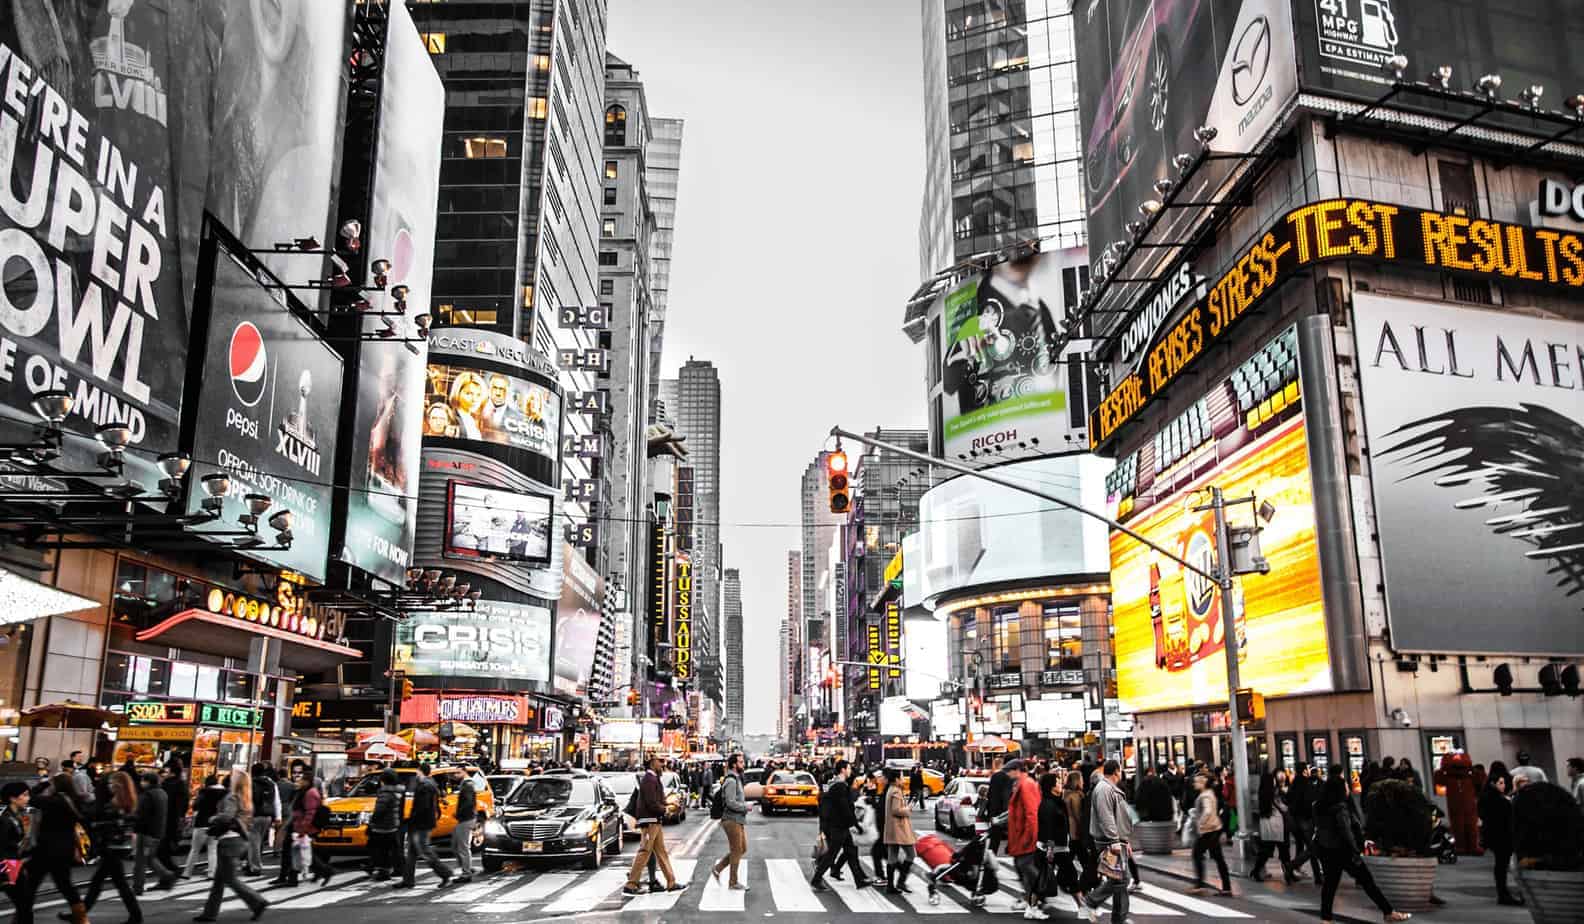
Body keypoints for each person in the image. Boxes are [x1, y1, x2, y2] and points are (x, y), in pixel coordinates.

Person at [1312, 774, 1410, 924]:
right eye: (1345, 786)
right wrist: (1356, 850)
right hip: (1344, 851)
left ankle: (1326, 919)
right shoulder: (1340, 808)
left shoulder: (1319, 806)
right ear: (1339, 789)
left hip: (1327, 850)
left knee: (1330, 886)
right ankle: (1388, 912)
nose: (1347, 788)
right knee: (1367, 882)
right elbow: (1346, 831)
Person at [195, 770, 268, 922]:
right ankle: (209, 913)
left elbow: (226, 816)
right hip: (240, 840)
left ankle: (257, 902)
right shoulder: (247, 798)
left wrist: (213, 818)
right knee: (219, 881)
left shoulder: (232, 797)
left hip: (228, 840)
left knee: (230, 879)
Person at [72, 771, 141, 924]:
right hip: (120, 846)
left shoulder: (115, 804)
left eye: (112, 783)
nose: (109, 786)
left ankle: (136, 916)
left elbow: (109, 824)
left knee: (115, 884)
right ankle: (80, 915)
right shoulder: (129, 801)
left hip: (113, 847)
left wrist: (97, 824)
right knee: (103, 882)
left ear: (119, 785)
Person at [18, 775, 88, 924]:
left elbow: (28, 797)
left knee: (30, 885)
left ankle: (21, 918)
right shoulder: (74, 801)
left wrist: (43, 784)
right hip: (65, 849)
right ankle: (81, 918)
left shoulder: (53, 801)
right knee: (65, 884)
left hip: (45, 850)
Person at [1080, 761, 1132, 924]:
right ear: (1117, 771)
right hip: (1109, 841)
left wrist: (1124, 840)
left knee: (1118, 880)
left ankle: (1118, 918)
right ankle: (1091, 901)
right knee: (1121, 879)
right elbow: (1106, 816)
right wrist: (1115, 840)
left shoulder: (1106, 788)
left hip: (1115, 840)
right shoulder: (1104, 789)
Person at [810, 760, 872, 891]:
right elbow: (845, 808)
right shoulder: (840, 786)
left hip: (837, 825)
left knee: (851, 851)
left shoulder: (835, 784)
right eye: (849, 768)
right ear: (843, 770)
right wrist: (855, 824)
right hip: (838, 826)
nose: (850, 771)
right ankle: (816, 879)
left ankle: (859, 880)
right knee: (832, 854)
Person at [623, 755, 679, 896]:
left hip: (654, 820)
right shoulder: (649, 779)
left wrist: (669, 804)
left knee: (661, 852)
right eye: (660, 761)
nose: (663, 764)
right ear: (652, 763)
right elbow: (651, 803)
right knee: (644, 851)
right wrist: (665, 809)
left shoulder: (653, 778)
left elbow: (656, 800)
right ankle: (631, 884)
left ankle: (671, 882)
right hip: (649, 821)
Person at [396, 764, 451, 889]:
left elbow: (423, 807)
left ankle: (445, 874)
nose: (416, 775)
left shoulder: (425, 786)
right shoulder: (428, 784)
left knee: (424, 850)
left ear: (420, 772)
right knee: (412, 852)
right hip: (421, 822)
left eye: (417, 772)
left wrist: (411, 818)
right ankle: (408, 879)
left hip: (421, 823)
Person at [1004, 760, 1047, 919]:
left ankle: (1035, 902)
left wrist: (1030, 838)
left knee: (1028, 871)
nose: (1007, 774)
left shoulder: (1026, 785)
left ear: (1016, 770)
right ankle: (1032, 903)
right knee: (1024, 870)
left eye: (1008, 771)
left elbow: (1032, 813)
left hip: (1025, 837)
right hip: (1021, 837)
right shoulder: (1024, 784)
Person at [1478, 762, 1521, 906]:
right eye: (1501, 783)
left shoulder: (1485, 796)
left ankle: (1503, 892)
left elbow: (1482, 814)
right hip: (1503, 834)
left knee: (1500, 865)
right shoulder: (1501, 800)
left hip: (1492, 834)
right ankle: (1506, 893)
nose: (1503, 785)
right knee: (1504, 864)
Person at [1037, 771, 1080, 908]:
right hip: (1055, 848)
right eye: (1058, 782)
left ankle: (1032, 905)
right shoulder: (1049, 804)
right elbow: (1047, 827)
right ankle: (1084, 907)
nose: (1061, 784)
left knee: (1043, 878)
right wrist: (1050, 849)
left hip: (1059, 847)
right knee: (1070, 878)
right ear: (1051, 786)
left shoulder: (1056, 802)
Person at [709, 753, 750, 891]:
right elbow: (730, 802)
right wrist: (746, 807)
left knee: (742, 848)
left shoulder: (736, 779)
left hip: (738, 819)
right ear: (734, 764)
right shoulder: (731, 781)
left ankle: (718, 868)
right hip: (731, 819)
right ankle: (733, 882)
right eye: (741, 762)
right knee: (737, 850)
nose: (743, 764)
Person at [133, 771, 176, 895]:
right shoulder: (162, 793)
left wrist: (135, 828)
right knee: (150, 859)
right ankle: (167, 875)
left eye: (143, 780)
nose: (141, 783)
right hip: (157, 832)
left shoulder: (148, 795)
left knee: (140, 861)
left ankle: (138, 887)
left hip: (146, 832)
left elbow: (142, 815)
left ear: (148, 782)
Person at [1188, 773, 1231, 896]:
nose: (1194, 784)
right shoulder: (1210, 793)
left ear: (1203, 782)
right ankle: (1226, 887)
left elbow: (1207, 812)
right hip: (1214, 829)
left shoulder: (1205, 796)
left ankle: (1200, 885)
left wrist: (1200, 824)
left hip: (1208, 831)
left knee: (1197, 854)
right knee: (1218, 858)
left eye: (1197, 782)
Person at [1251, 770, 1297, 883]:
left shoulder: (1264, 793)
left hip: (1269, 826)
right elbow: (1284, 808)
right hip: (1276, 825)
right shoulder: (1273, 793)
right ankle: (1288, 873)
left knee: (1268, 851)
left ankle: (1257, 871)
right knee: (1282, 851)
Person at [185, 774, 227, 879]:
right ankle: (212, 873)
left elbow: (195, 806)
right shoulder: (224, 793)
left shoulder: (204, 792)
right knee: (212, 849)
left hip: (201, 823)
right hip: (215, 824)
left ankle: (187, 872)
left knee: (195, 849)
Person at [882, 767, 916, 894]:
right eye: (901, 777)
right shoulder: (896, 791)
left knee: (892, 856)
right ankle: (901, 881)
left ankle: (890, 886)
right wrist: (909, 808)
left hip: (892, 828)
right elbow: (896, 810)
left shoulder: (891, 790)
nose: (903, 780)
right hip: (900, 828)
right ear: (896, 779)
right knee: (911, 854)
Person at [0, 782, 31, 922]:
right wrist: (6, 874)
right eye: (24, 795)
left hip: (14, 863)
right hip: (8, 865)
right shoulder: (5, 820)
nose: (28, 798)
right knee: (24, 905)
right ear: (13, 798)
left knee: (24, 906)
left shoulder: (17, 816)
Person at [366, 770, 404, 881]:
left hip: (382, 826)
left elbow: (379, 810)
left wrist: (372, 822)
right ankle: (397, 869)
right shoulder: (398, 791)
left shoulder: (385, 793)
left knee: (380, 849)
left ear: (383, 780)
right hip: (393, 823)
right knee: (393, 848)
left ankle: (382, 871)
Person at [157, 761, 188, 873]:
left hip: (165, 822)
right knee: (163, 851)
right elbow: (184, 804)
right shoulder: (182, 784)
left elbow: (164, 804)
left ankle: (171, 874)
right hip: (174, 822)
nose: (164, 773)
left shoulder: (168, 784)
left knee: (160, 852)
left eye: (166, 771)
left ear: (171, 771)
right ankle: (170, 874)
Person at [246, 766, 276, 877]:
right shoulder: (271, 784)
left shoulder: (251, 783)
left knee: (254, 842)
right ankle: (252, 864)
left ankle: (255, 867)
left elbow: (250, 799)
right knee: (257, 842)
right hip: (267, 816)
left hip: (255, 815)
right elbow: (275, 800)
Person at [451, 774, 478, 885]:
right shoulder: (467, 785)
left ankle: (466, 873)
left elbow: (468, 803)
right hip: (466, 819)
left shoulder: (467, 786)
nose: (455, 774)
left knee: (463, 847)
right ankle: (468, 867)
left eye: (457, 772)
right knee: (456, 845)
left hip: (465, 819)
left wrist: (459, 814)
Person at [984, 757, 1012, 855]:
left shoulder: (996, 776)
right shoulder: (1011, 778)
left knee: (994, 841)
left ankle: (990, 863)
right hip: (1008, 813)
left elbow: (989, 795)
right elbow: (1007, 796)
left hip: (995, 812)